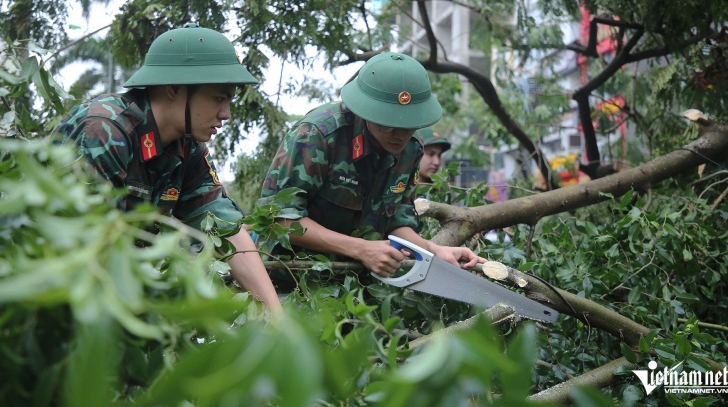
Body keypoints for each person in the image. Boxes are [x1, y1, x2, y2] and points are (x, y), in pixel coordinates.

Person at [53, 23, 281, 311]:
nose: (226, 114)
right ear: (174, 88)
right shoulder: (105, 131)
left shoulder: (188, 149)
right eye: (219, 98)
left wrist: (276, 318)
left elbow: (227, 231)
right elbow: (89, 245)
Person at [257, 52, 485, 279]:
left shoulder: (411, 148)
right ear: (365, 111)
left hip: (358, 284)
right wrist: (360, 248)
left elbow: (395, 220)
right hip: (291, 276)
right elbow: (280, 220)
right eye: (388, 125)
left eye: (409, 125)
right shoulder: (318, 135)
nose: (400, 135)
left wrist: (433, 250)